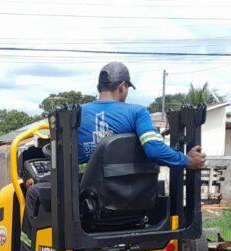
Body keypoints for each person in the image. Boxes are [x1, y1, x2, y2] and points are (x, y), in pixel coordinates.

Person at [78, 62, 206, 170]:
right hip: (125, 195)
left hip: (85, 194)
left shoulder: (76, 113)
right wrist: (186, 160)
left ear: (99, 87)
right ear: (122, 87)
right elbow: (154, 150)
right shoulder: (137, 112)